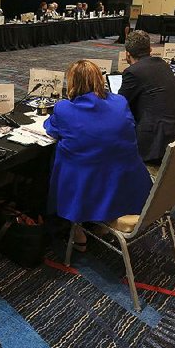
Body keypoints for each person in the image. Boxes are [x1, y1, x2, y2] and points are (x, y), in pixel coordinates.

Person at [44, 60, 152, 249]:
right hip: (130, 188)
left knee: (60, 154)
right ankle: (100, 221)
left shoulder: (64, 109)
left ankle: (77, 230)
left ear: (71, 84)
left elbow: (50, 128)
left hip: (87, 191)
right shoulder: (120, 101)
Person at [117, 31, 175, 164]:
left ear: (127, 54)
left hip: (155, 142)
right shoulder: (163, 64)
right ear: (150, 49)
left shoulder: (133, 72)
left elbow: (119, 105)